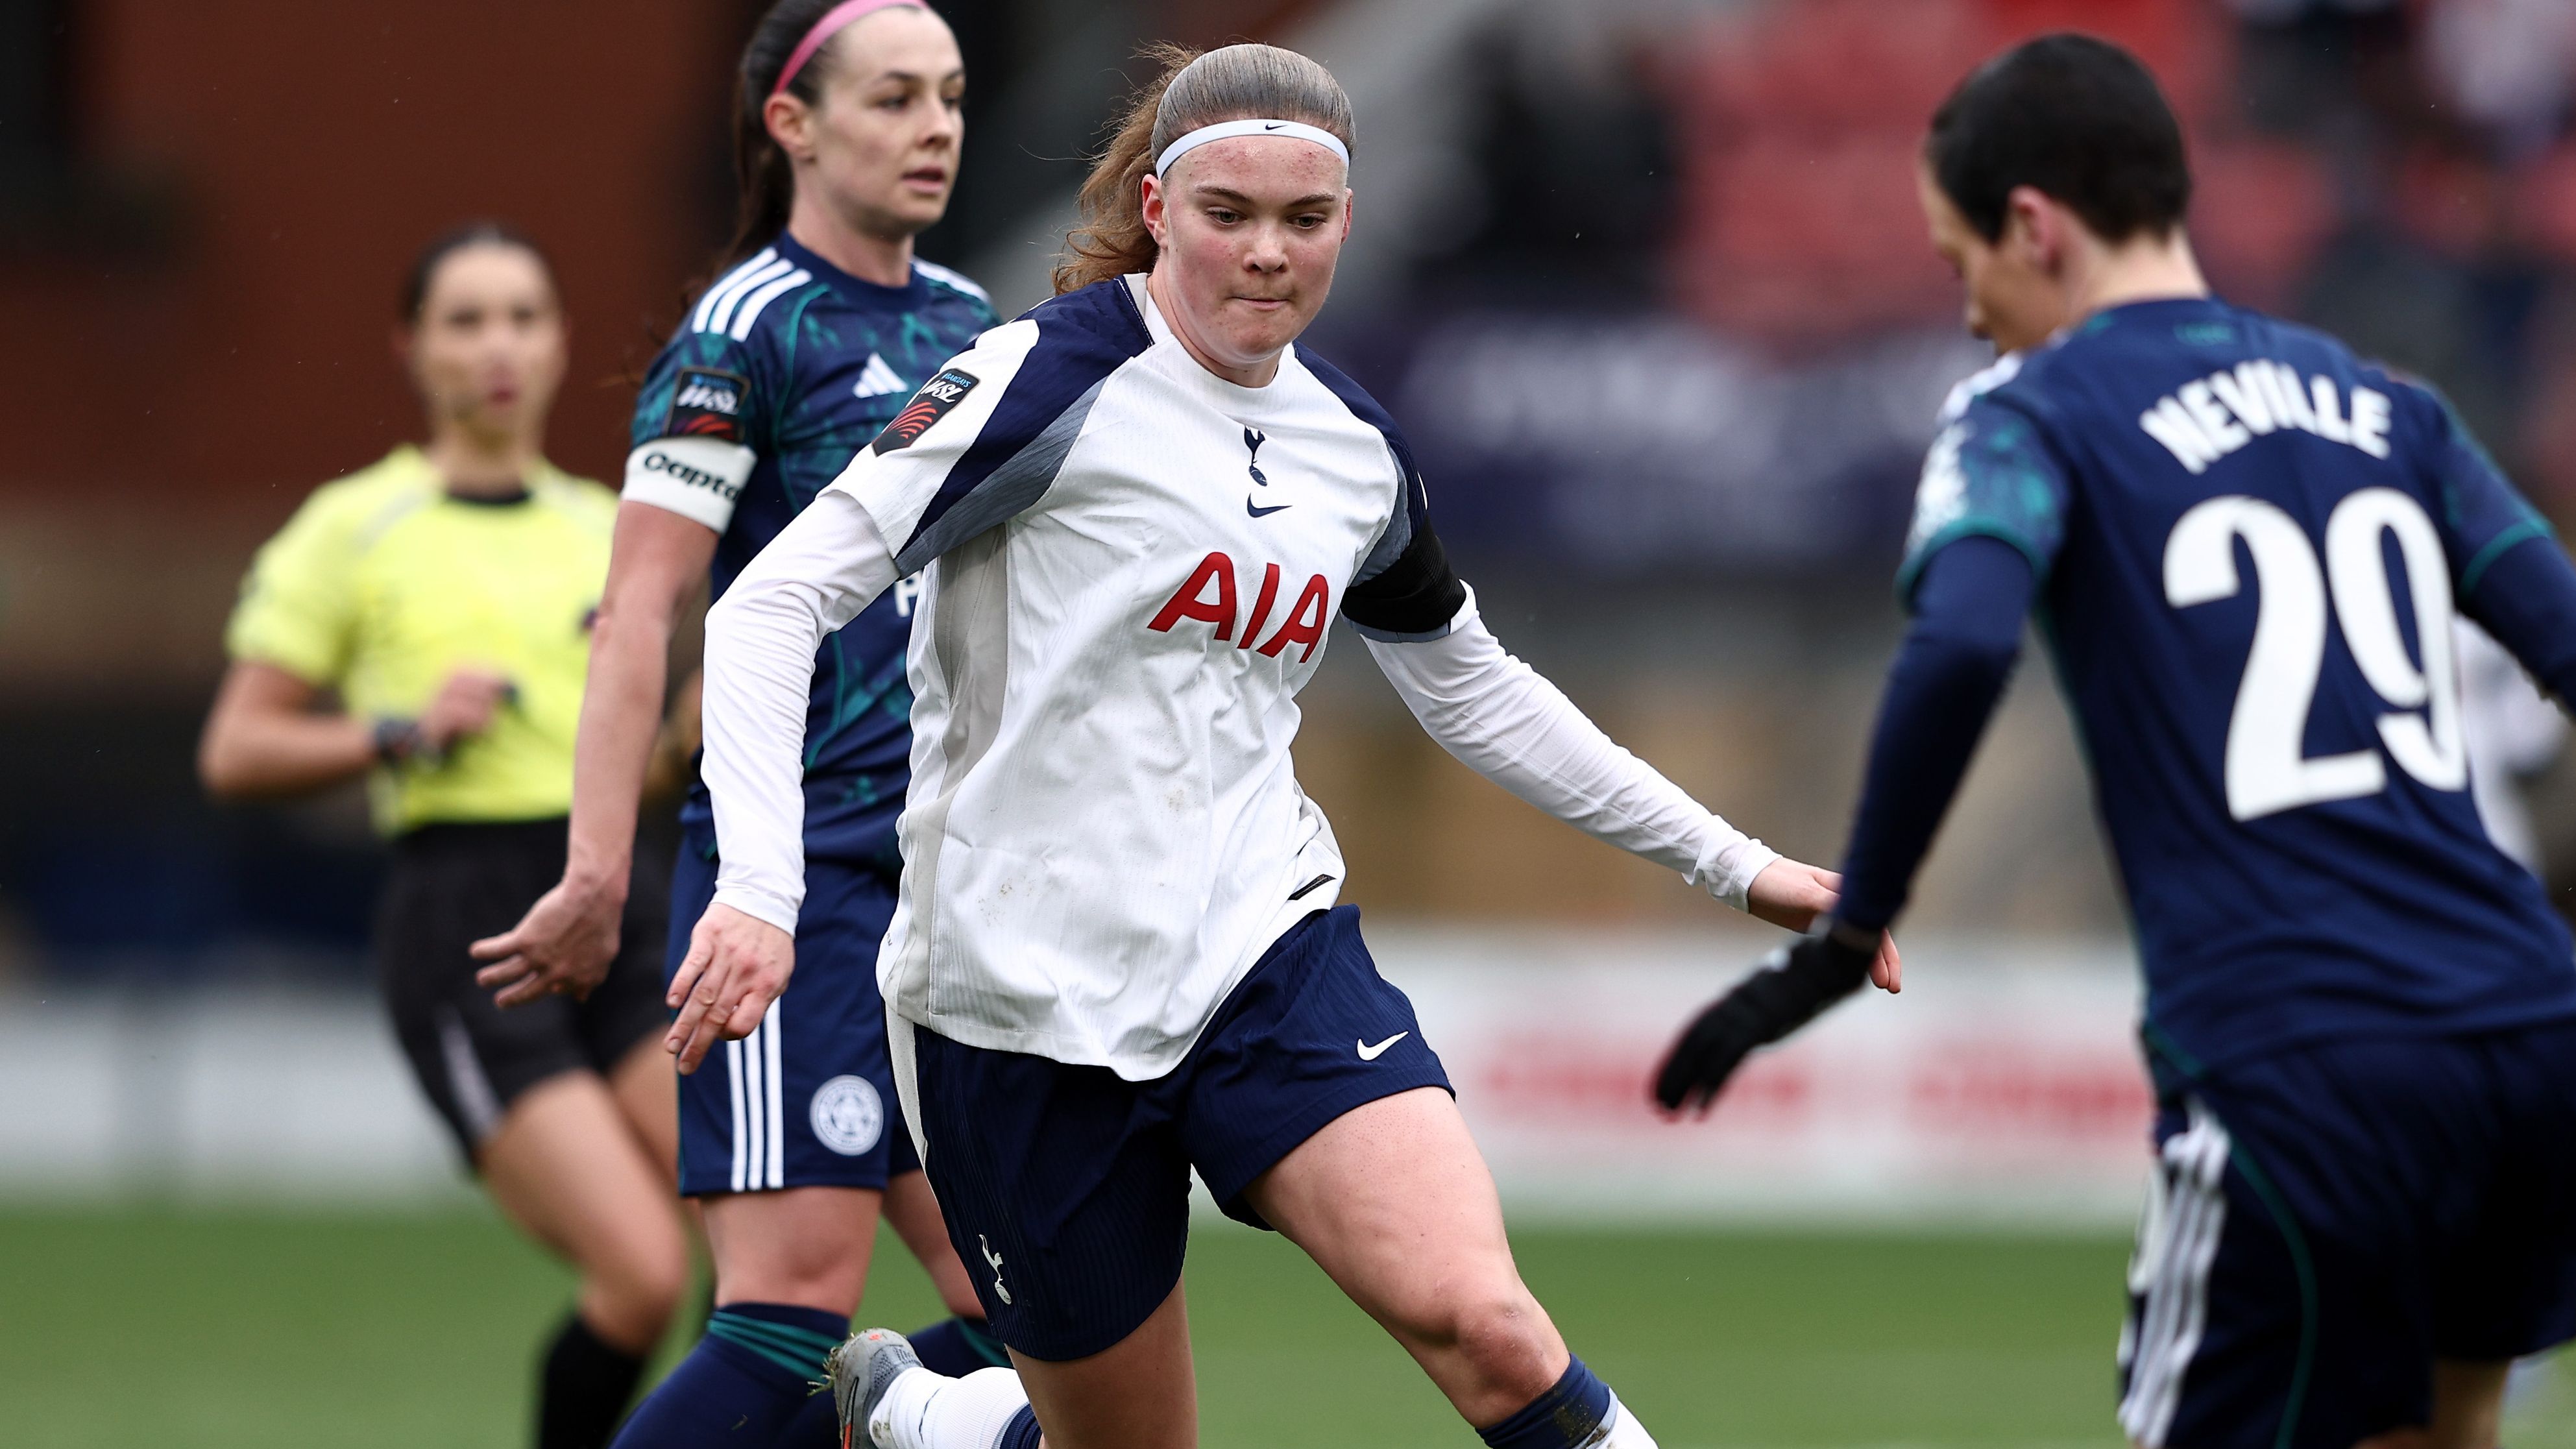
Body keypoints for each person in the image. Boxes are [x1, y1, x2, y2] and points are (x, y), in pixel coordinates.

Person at [666, 40, 1894, 1449]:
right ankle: (935, 1422)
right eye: (1228, 213)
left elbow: (1470, 687)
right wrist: (758, 887)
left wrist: (1740, 866)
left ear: (1348, 222)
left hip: (1262, 954)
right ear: (1156, 207)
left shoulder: (1348, 447)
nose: (1266, 252)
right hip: (1012, 1005)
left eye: (1304, 218)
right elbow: (770, 604)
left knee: (1490, 1328)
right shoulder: (1040, 381)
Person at [1653, 34, 2576, 1449]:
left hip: (2300, 1054)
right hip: (2525, 1032)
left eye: (1960, 262)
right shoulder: (2392, 410)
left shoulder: (2032, 413)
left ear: (2034, 226)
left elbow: (1962, 640)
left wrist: (1848, 933)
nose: (1970, 313)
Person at [466, 3, 1004, 1445]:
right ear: (792, 124)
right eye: (894, 97)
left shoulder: (974, 327)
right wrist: (596, 871)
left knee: (1020, 1311)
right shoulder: (743, 333)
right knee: (785, 1311)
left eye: (952, 96)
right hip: (800, 885)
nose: (935, 127)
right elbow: (638, 610)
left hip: (951, 892)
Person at [199, 223, 688, 1449]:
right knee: (641, 1272)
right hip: (469, 923)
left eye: (523, 316)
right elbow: (235, 749)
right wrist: (397, 731)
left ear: (561, 342)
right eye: (465, 321)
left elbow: (641, 767)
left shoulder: (609, 528)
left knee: (766, 1247)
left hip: (621, 898)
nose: (497, 346)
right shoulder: (356, 525)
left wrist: (695, 726)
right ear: (411, 349)